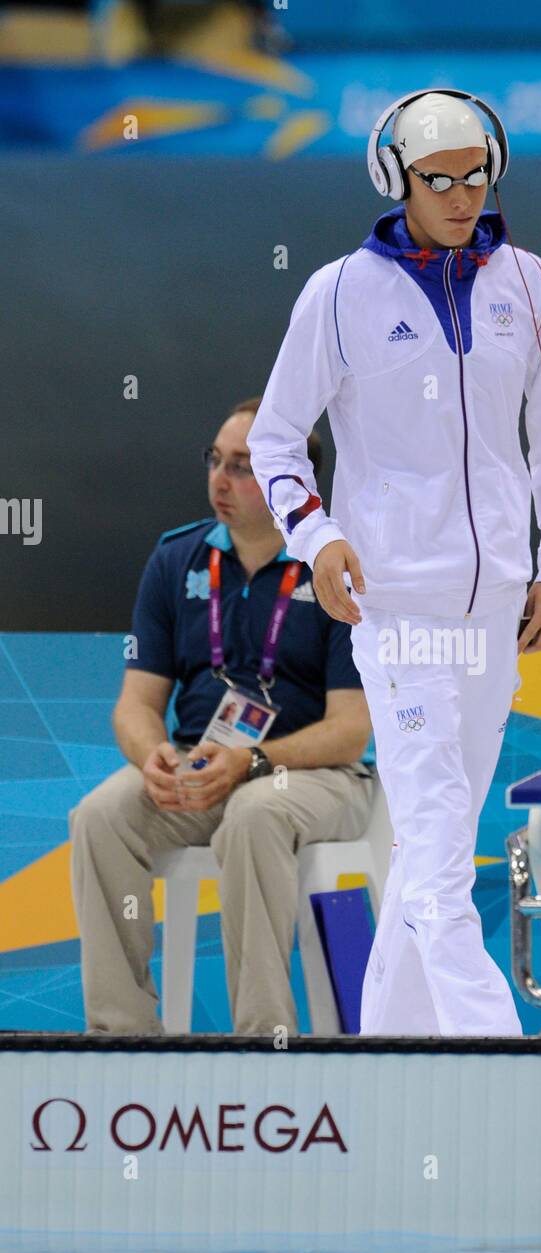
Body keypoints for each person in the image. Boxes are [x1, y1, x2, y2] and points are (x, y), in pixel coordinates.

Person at [248, 89, 541, 1037]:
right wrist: (317, 539)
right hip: (394, 613)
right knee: (442, 842)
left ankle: (392, 1055)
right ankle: (496, 1052)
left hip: (495, 619)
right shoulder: (338, 293)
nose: (459, 195)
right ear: (394, 179)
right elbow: (278, 441)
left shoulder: (529, 284)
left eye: (474, 175)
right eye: (437, 179)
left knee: (428, 845)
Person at [69, 396, 374, 1036]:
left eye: (242, 466)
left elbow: (351, 730)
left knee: (255, 812)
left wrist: (255, 761)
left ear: (290, 479)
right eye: (216, 460)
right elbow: (136, 704)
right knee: (100, 815)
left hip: (316, 778)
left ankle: (261, 1042)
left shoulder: (336, 568)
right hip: (204, 765)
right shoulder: (174, 560)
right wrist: (152, 753)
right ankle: (120, 1035)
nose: (219, 478)